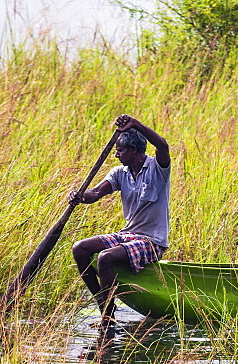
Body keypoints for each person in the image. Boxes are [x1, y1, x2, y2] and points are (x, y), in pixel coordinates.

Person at [70, 114, 171, 327]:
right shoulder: (120, 173)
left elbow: (162, 146)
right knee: (80, 248)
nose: (116, 155)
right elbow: (96, 193)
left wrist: (137, 125)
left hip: (151, 241)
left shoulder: (156, 169)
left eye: (120, 150)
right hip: (128, 235)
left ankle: (107, 318)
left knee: (105, 258)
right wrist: (80, 196)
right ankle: (104, 303)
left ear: (133, 151)